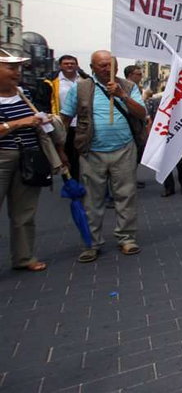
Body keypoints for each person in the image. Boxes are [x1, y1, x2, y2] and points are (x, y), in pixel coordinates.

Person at [60, 50, 146, 263]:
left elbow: (141, 113)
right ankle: (92, 243)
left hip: (124, 150)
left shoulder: (128, 87)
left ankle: (126, 238)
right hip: (92, 152)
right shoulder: (81, 88)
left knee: (125, 196)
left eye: (110, 64)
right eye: (102, 65)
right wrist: (60, 149)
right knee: (92, 200)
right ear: (92, 68)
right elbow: (65, 118)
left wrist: (122, 96)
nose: (107, 69)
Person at [0, 49, 55, 271]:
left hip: (28, 156)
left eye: (18, 68)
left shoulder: (26, 94)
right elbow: (22, 122)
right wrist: (17, 124)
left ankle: (24, 257)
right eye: (11, 68)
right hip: (2, 157)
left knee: (24, 212)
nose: (16, 72)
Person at [33, 54, 87, 180]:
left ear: (77, 65)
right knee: (65, 155)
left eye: (72, 63)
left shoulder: (85, 80)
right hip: (62, 124)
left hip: (82, 124)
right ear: (60, 66)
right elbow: (42, 102)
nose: (69, 65)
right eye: (66, 63)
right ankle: (70, 182)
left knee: (82, 156)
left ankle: (84, 182)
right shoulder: (50, 82)